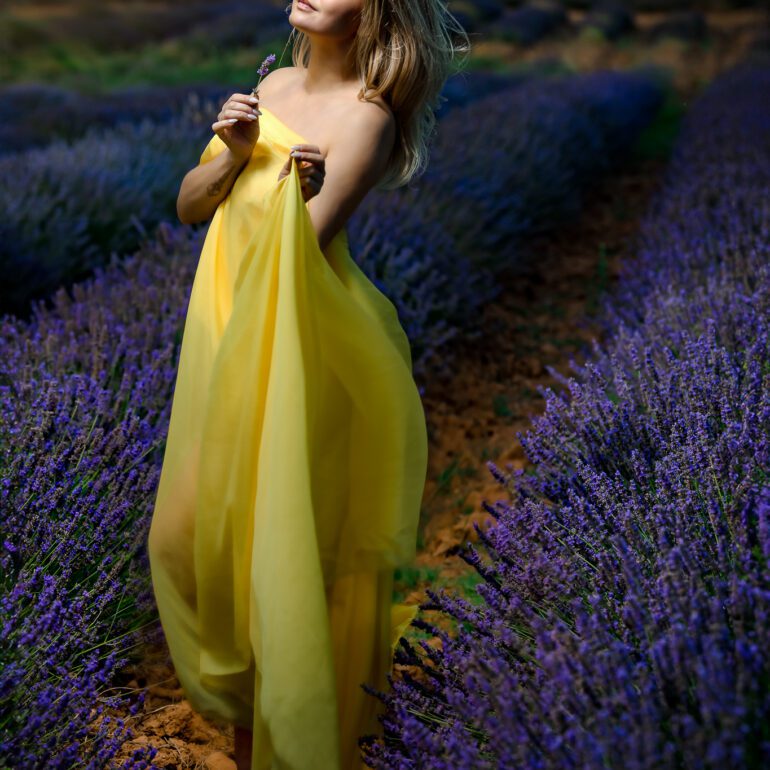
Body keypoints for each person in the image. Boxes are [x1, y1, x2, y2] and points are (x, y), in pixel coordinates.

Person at [147, 1, 469, 768]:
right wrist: (232, 153)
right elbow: (191, 206)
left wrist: (294, 191)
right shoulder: (273, 83)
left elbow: (304, 245)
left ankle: (276, 750)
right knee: (186, 543)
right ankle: (251, 733)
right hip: (224, 331)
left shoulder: (368, 119)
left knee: (270, 559)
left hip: (291, 341)